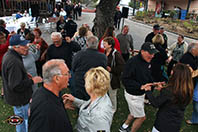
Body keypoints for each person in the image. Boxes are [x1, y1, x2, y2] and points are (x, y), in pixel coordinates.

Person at [1, 34, 42, 132]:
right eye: (24, 45)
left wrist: (23, 74)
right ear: (15, 47)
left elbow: (12, 77)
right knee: (25, 122)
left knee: (20, 121)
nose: (27, 47)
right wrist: (33, 81)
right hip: (20, 100)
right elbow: (16, 85)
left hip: (16, 99)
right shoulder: (13, 61)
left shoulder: (10, 55)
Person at [141, 63, 194, 132]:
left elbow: (156, 103)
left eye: (173, 70)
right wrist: (162, 89)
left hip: (163, 124)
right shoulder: (188, 90)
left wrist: (148, 91)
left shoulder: (169, 91)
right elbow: (171, 98)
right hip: (176, 123)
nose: (171, 71)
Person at [119, 42, 158, 132]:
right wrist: (140, 86)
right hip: (133, 95)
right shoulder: (132, 62)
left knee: (133, 113)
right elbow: (125, 80)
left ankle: (124, 127)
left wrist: (153, 84)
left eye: (153, 53)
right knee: (141, 117)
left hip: (139, 94)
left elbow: (147, 75)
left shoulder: (146, 61)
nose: (152, 56)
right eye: (150, 53)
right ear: (142, 52)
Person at [62, 66, 113, 132]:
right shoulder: (100, 95)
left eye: (86, 82)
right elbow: (89, 106)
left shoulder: (99, 116)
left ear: (90, 86)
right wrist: (75, 100)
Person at [29, 59, 73, 132]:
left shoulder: (43, 92)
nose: (70, 76)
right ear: (57, 78)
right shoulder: (45, 109)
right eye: (67, 74)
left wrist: (61, 107)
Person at [72, 36, 107, 100]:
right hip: (95, 83)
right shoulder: (102, 57)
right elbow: (103, 70)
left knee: (81, 103)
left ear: (87, 44)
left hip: (81, 83)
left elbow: (73, 67)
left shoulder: (79, 54)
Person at [103, 37, 125, 113]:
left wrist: (111, 69)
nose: (103, 45)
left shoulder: (116, 54)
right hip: (104, 77)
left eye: (105, 43)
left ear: (110, 45)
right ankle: (105, 107)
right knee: (104, 94)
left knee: (112, 95)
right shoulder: (104, 52)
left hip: (113, 78)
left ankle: (113, 109)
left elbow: (122, 67)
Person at [179, 43, 198, 125]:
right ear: (193, 50)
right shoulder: (188, 58)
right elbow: (192, 73)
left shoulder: (192, 57)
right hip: (185, 85)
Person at [0, 31, 11, 98]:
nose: (4, 39)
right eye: (2, 38)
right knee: (6, 79)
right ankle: (4, 93)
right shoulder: (2, 47)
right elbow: (5, 46)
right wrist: (9, 37)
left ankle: (3, 92)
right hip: (2, 66)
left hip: (3, 65)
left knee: (5, 79)